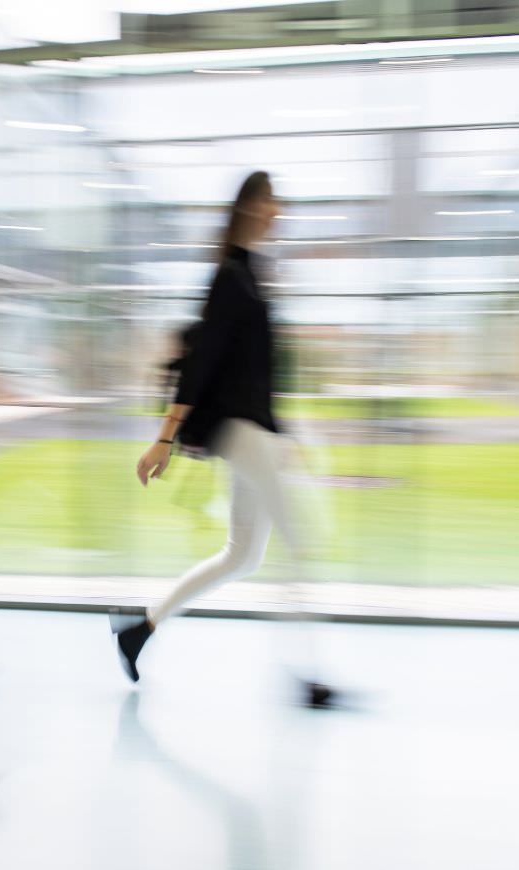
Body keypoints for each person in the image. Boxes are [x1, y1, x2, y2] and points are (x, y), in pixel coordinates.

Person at [113, 170, 336, 709]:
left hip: (255, 430)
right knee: (299, 542)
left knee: (243, 555)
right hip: (241, 431)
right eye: (271, 201)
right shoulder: (230, 276)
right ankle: (308, 674)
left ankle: (140, 628)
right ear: (251, 207)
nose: (278, 210)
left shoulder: (253, 273)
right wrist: (163, 438)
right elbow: (202, 365)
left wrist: (282, 434)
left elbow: (257, 369)